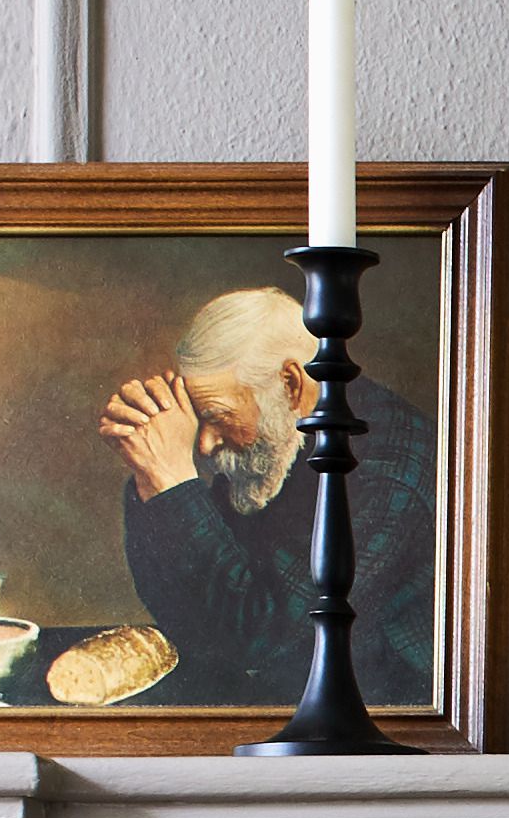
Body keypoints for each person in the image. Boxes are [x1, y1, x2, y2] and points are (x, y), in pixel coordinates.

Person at [100, 282, 436, 715]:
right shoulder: (272, 438)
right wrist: (151, 479)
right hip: (281, 698)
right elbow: (191, 615)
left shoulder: (383, 474)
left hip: (376, 713)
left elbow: (260, 638)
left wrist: (172, 481)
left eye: (218, 416)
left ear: (291, 384)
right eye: (198, 419)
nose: (203, 445)